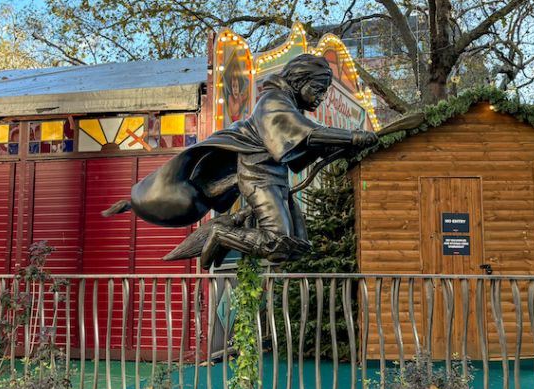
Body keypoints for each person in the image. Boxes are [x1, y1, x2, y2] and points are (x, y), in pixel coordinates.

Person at [102, 54, 379, 268]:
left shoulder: (287, 105)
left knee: (299, 245)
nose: (321, 96)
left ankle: (227, 233)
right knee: (275, 242)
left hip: (275, 179)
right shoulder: (273, 102)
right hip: (259, 179)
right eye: (318, 88)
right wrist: (352, 136)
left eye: (324, 91)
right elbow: (306, 134)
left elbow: (304, 143)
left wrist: (342, 147)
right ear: (298, 81)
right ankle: (222, 235)